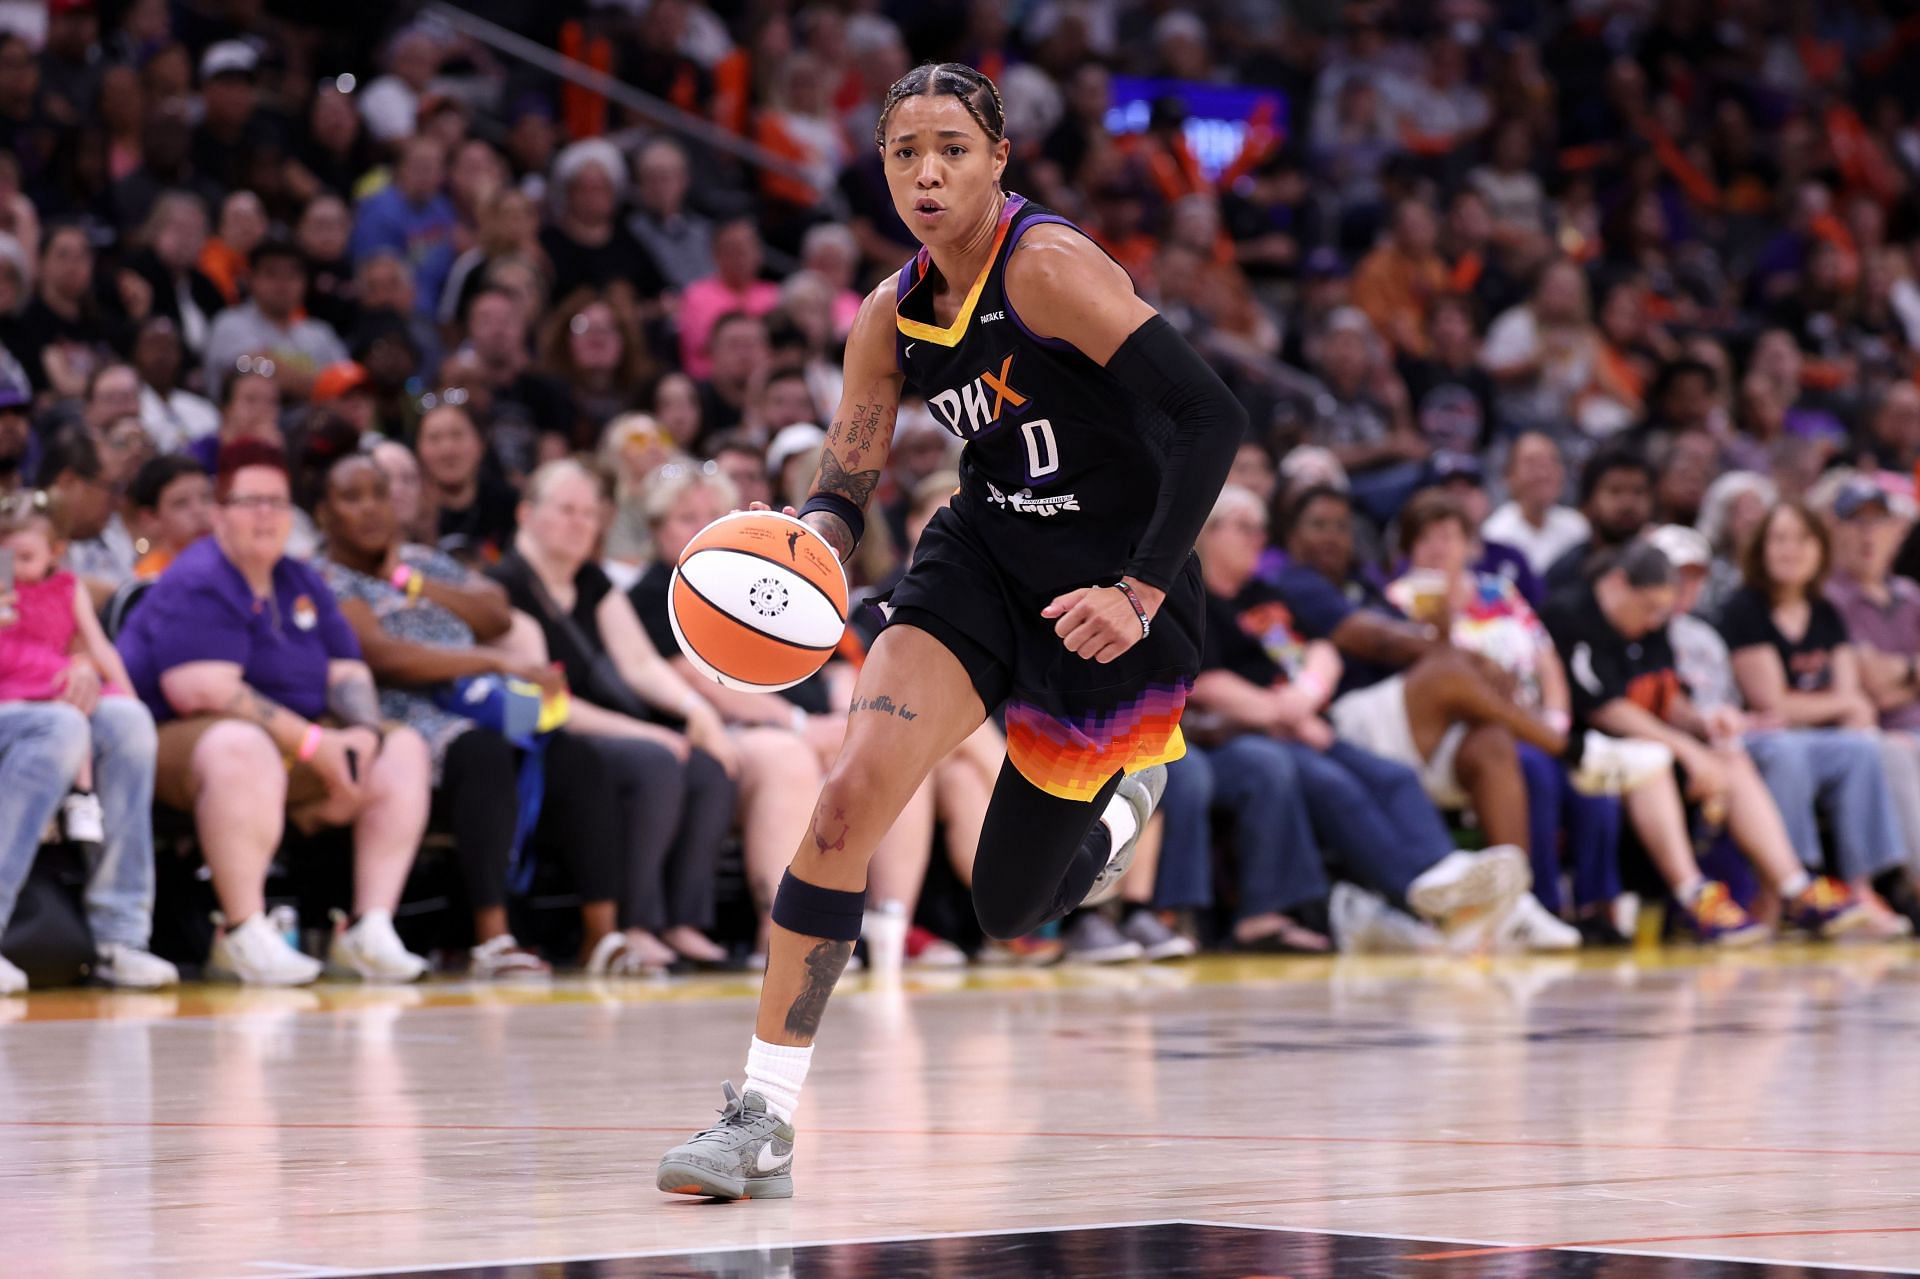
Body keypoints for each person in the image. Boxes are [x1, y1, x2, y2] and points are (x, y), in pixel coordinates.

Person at [657, 62, 1264, 1200]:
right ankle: (762, 1114)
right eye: (903, 153)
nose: (926, 173)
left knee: (1009, 908)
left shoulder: (1048, 271)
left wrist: (1137, 590)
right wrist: (811, 543)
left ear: (999, 162)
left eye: (951, 149)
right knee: (846, 800)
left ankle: (1125, 803)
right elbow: (847, 473)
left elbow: (1210, 414)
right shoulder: (889, 313)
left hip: (1112, 592)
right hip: (980, 557)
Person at [114, 444, 435, 985]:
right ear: (219, 515)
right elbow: (201, 688)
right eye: (249, 502)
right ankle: (242, 931)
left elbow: (348, 668)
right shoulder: (200, 576)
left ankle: (370, 927)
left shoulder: (300, 579)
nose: (265, 514)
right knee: (241, 745)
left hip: (289, 738)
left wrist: (359, 739)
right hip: (168, 738)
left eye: (277, 503)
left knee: (400, 748)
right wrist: (316, 746)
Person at [315, 455, 640, 977]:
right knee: (480, 751)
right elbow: (381, 653)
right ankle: (493, 937)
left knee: (573, 752)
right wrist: (494, 660)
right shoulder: (325, 578)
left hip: (478, 696)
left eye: (379, 494)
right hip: (402, 710)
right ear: (324, 514)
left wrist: (412, 583)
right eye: (352, 499)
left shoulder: (422, 562)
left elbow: (495, 611)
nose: (371, 509)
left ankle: (602, 934)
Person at [1186, 487, 1529, 952]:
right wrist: (1281, 714)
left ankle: (1449, 883)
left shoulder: (1262, 593)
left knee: (1395, 778)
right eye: (1245, 528)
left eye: (1261, 528)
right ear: (1208, 532)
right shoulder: (1196, 599)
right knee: (1336, 787)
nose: (1258, 538)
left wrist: (1305, 697)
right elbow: (1206, 684)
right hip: (1250, 733)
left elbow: (1324, 648)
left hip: (1306, 723)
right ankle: (1421, 897)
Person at [1541, 540, 1875, 944]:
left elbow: (1665, 693)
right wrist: (1688, 750)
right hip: (1581, 751)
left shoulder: (1652, 621)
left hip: (1643, 746)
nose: (1652, 622)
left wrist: (1702, 721)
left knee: (1730, 759)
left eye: (1660, 612)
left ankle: (1795, 888)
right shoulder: (1571, 615)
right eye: (1647, 608)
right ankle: (1692, 894)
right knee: (1653, 760)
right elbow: (1606, 709)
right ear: (1616, 584)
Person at [490, 460, 740, 972]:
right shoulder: (504, 588)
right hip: (540, 740)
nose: (580, 523)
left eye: (589, 512)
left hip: (602, 733)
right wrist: (650, 732)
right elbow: (538, 708)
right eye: (565, 510)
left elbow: (642, 663)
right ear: (526, 514)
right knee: (656, 761)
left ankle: (683, 920)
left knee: (707, 768)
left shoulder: (592, 581)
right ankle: (633, 923)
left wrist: (698, 713)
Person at [1655, 519, 1915, 938]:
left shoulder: (1818, 610)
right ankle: (1793, 886)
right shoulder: (1741, 609)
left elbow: (1852, 700)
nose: (1790, 550)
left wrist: (1841, 707)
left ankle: (1861, 885)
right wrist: (1840, 705)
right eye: (1779, 539)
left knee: (1862, 748)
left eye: (1801, 540)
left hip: (1760, 730)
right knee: (1786, 750)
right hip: (1750, 735)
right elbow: (1774, 702)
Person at [0, 497, 176, 991]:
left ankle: (120, 937)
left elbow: (89, 646)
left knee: (127, 722)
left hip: (46, 691)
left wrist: (89, 673)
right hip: (13, 698)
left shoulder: (61, 587)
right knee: (61, 728)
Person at [1481, 431, 1589, 577]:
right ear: (1509, 475)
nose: (1544, 473)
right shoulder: (1495, 535)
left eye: (1552, 462)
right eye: (1532, 463)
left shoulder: (1577, 527)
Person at [127, 452, 213, 578]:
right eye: (181, 503)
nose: (199, 511)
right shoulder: (149, 581)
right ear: (150, 519)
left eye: (206, 497)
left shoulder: (236, 563)